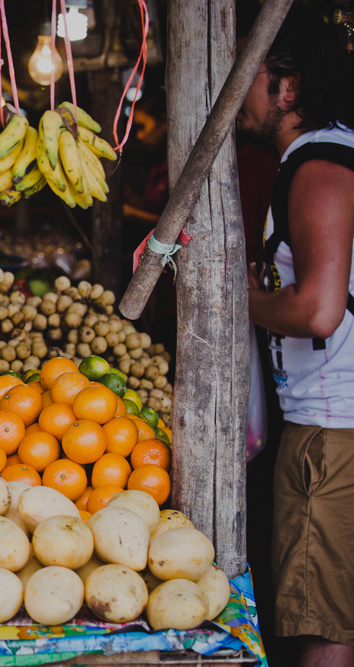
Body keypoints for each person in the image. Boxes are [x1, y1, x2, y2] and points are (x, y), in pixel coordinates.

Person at [241, 6, 354, 665]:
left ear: (287, 85)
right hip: (329, 423)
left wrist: (243, 302)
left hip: (330, 431)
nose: (241, 101)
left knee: (325, 629)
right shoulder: (325, 156)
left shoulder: (319, 166)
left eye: (249, 81)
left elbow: (317, 310)